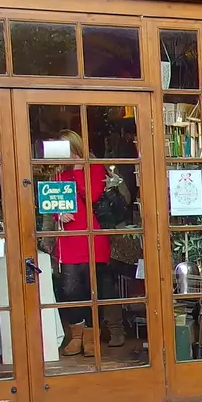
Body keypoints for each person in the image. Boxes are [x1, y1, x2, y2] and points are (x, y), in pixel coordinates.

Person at [50, 130, 116, 357]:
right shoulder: (59, 174)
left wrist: (78, 170)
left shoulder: (94, 169)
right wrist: (60, 214)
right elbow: (53, 202)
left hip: (92, 237)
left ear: (74, 149)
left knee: (92, 290)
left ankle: (91, 337)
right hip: (68, 240)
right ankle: (75, 336)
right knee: (70, 290)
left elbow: (93, 194)